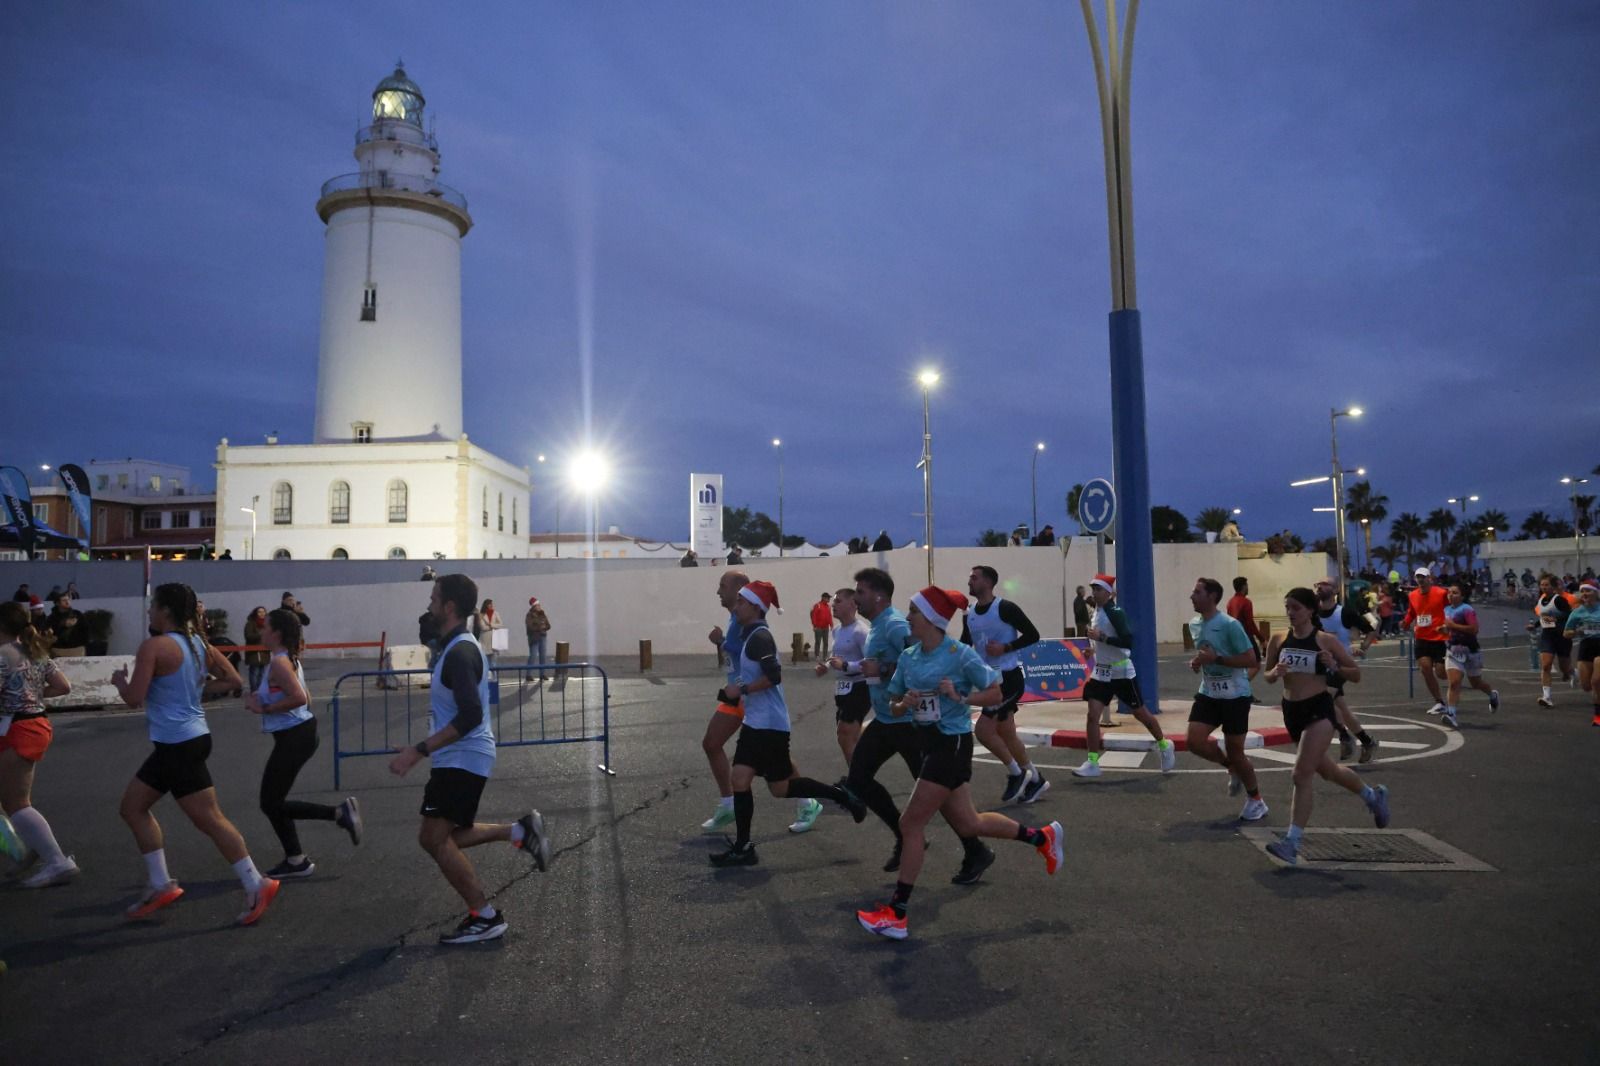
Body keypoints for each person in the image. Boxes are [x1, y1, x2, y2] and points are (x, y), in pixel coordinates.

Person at [855, 586, 1064, 939]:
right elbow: (892, 704)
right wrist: (904, 704)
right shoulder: (909, 657)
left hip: (951, 745)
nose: (908, 617)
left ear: (932, 619)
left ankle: (897, 913)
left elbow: (995, 692)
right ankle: (1041, 837)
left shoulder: (960, 655)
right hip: (926, 743)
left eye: (914, 611)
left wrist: (961, 696)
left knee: (910, 824)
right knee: (969, 823)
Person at [387, 574, 551, 944]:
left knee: (433, 838)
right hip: (459, 757)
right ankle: (519, 832)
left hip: (463, 757)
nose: (429, 604)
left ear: (448, 607)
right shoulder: (456, 648)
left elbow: (471, 715)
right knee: (442, 836)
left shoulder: (461, 653)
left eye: (433, 598)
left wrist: (419, 750)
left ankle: (485, 915)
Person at [111, 582, 280, 925]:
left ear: (166, 610)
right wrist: (195, 688)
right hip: (189, 739)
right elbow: (233, 680)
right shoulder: (198, 644)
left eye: (153, 605)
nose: (149, 611)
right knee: (133, 808)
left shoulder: (154, 647)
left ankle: (254, 883)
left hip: (176, 744)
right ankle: (160, 882)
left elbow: (134, 697)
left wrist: (119, 681)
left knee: (208, 819)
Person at [843, 567, 994, 883]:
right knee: (858, 778)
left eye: (861, 592)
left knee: (940, 795)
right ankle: (907, 836)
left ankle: (974, 848)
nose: (856, 598)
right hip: (888, 719)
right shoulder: (878, 625)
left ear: (878, 596)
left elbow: (918, 653)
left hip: (910, 723)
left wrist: (882, 669)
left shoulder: (895, 624)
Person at [709, 581, 865, 867]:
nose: (737, 607)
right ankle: (744, 847)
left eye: (741, 602)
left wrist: (740, 690)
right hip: (757, 722)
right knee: (754, 782)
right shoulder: (750, 634)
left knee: (772, 786)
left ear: (755, 606)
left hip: (769, 725)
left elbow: (774, 676)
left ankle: (841, 796)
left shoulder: (760, 637)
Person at [1258, 588, 1391, 865]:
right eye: (1287, 607)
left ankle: (1292, 843)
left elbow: (1355, 674)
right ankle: (1372, 796)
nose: (1290, 612)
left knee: (1300, 774)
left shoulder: (1325, 641)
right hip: (1291, 711)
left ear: (1310, 610)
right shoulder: (1278, 639)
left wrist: (1334, 666)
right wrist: (1275, 672)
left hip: (1318, 710)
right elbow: (1267, 675)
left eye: (1296, 607)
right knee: (1329, 771)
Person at [246, 608, 361, 878]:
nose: (261, 631)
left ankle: (339, 813)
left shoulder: (279, 663)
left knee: (270, 802)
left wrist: (264, 708)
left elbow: (298, 698)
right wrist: (263, 700)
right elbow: (306, 698)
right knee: (273, 801)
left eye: (265, 627)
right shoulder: (288, 659)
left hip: (295, 736)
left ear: (276, 633)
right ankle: (296, 859)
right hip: (299, 734)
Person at [0, 601, 78, 887]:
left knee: (16, 803)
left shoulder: (2, 656)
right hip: (35, 724)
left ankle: (56, 860)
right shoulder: (35, 652)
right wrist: (34, 695)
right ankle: (28, 848)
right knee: (12, 799)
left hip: (17, 728)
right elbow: (63, 686)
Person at [1073, 575, 1177, 777]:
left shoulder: (1115, 612)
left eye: (1098, 589)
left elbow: (1128, 641)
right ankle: (1092, 762)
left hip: (1121, 673)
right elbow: (1103, 641)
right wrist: (1093, 650)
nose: (1094, 593)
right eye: (1093, 589)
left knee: (1141, 713)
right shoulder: (1097, 612)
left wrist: (1102, 637)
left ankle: (1164, 745)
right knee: (1092, 715)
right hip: (1101, 672)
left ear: (1109, 593)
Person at [960, 565, 1046, 803]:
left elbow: (1033, 635)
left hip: (1008, 679)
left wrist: (1006, 647)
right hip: (988, 680)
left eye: (974, 577)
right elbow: (965, 643)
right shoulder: (970, 613)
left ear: (988, 583)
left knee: (983, 731)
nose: (969, 581)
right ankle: (1036, 779)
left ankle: (1017, 773)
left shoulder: (1005, 608)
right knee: (1006, 733)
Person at [1183, 578, 1267, 822]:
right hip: (1209, 692)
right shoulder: (1195, 624)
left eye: (1197, 592)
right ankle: (1230, 767)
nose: (1191, 596)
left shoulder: (1230, 625)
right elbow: (1206, 652)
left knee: (1236, 752)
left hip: (1235, 695)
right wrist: (1198, 661)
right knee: (1194, 741)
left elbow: (1251, 660)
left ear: (1212, 596)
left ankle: (1256, 800)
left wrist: (1217, 659)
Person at [1312, 580, 1381, 763]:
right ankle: (1367, 742)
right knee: (1341, 708)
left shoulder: (1344, 612)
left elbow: (1371, 630)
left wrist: (1363, 648)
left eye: (1324, 584)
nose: (1319, 587)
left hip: (1340, 665)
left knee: (1323, 700)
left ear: (1335, 589)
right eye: (1317, 584)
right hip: (1320, 665)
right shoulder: (1313, 612)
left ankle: (1344, 736)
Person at [814, 588, 870, 764]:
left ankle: (857, 777)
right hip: (842, 688)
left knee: (844, 734)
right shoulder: (837, 630)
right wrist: (826, 666)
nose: (833, 605)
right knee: (847, 736)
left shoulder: (861, 631)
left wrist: (846, 665)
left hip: (860, 687)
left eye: (838, 601)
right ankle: (860, 773)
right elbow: (836, 656)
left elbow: (870, 662)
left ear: (852, 604)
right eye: (833, 602)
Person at [1436, 581, 1499, 728]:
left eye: (1455, 593)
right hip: (1453, 650)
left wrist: (1453, 626)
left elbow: (1474, 629)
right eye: (1449, 592)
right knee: (1454, 682)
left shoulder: (1467, 609)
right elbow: (1450, 628)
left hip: (1471, 650)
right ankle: (1451, 714)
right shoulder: (1446, 610)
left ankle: (1492, 694)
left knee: (1476, 683)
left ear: (1462, 596)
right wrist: (1444, 629)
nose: (1451, 595)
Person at [1401, 567, 1452, 715]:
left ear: (1430, 578)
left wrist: (1450, 625)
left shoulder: (1441, 593)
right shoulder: (1413, 595)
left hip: (1439, 638)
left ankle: (1456, 677)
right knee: (1425, 668)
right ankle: (1439, 702)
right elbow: (1412, 612)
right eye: (1418, 577)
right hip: (1422, 638)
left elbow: (1451, 608)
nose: (1420, 580)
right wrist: (1405, 622)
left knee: (1441, 673)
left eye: (1423, 577)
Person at [1530, 574, 1575, 707]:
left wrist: (1558, 620)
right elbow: (1545, 618)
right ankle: (1547, 697)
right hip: (1547, 636)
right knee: (1546, 665)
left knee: (1564, 667)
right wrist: (1535, 626)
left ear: (1553, 586)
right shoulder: (1541, 600)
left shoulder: (1559, 600)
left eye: (1547, 585)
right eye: (1542, 585)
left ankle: (1573, 673)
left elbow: (1571, 615)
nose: (1544, 587)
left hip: (1562, 636)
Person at [1561, 581, 1600, 727]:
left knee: (1596, 681)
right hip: (1586, 647)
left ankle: (1598, 715)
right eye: (1582, 591)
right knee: (1586, 686)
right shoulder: (1577, 612)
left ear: (1596, 593)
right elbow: (1566, 633)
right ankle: (1578, 675)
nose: (1585, 594)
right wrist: (1577, 631)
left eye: (1588, 591)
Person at [1225, 577, 1264, 659]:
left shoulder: (1230, 602)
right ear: (1244, 586)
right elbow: (1250, 623)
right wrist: (1261, 639)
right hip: (1245, 637)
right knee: (1256, 661)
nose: (1248, 588)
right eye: (1247, 585)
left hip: (1233, 637)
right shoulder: (1246, 602)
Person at [242, 606, 271, 693]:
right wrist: (260, 634)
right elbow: (248, 636)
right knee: (255, 672)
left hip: (265, 653)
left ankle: (261, 690)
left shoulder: (267, 624)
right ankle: (254, 690)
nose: (262, 614)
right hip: (254, 653)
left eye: (263, 612)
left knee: (263, 673)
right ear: (256, 613)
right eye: (259, 612)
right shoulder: (250, 624)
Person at [524, 596, 551, 678]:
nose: (539, 606)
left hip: (543, 636)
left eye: (539, 605)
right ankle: (528, 674)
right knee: (533, 655)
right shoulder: (529, 615)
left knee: (543, 656)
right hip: (534, 638)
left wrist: (544, 627)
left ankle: (542, 673)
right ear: (534, 606)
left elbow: (548, 625)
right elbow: (530, 626)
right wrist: (539, 627)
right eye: (538, 605)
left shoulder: (542, 614)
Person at [473, 598, 505, 666]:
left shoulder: (495, 613)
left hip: (495, 640)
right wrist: (492, 627)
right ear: (486, 605)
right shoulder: (481, 615)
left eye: (491, 604)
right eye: (490, 604)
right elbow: (482, 627)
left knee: (494, 662)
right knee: (485, 661)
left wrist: (491, 625)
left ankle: (494, 673)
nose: (491, 605)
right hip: (485, 640)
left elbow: (500, 624)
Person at [810, 592, 834, 661]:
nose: (829, 599)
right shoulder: (817, 605)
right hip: (818, 627)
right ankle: (817, 655)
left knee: (825, 642)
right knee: (818, 642)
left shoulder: (828, 606)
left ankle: (825, 656)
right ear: (823, 598)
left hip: (826, 627)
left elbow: (829, 616)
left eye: (829, 598)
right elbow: (814, 616)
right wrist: (814, 625)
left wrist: (831, 625)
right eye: (828, 598)